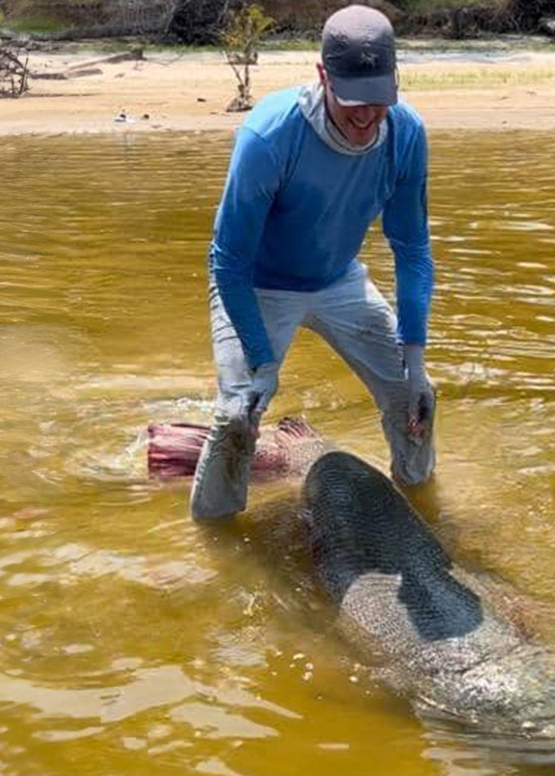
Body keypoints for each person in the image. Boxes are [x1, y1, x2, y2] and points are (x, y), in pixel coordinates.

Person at [190, 4, 436, 521]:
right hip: (257, 283)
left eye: (379, 100)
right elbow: (227, 260)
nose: (367, 117)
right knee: (237, 415)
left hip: (338, 279)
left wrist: (413, 360)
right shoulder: (269, 137)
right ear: (323, 76)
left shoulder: (407, 134)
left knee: (416, 397)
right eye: (353, 102)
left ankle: (421, 509)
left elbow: (411, 248)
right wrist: (259, 362)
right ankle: (214, 537)